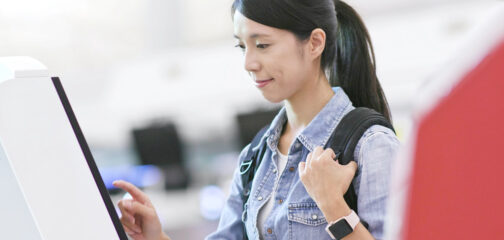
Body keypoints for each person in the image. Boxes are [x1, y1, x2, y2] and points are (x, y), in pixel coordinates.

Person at [112, 0, 400, 239]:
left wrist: (334, 206)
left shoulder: (371, 146)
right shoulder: (256, 156)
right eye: (242, 47)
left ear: (314, 43)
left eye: (262, 45)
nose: (249, 63)